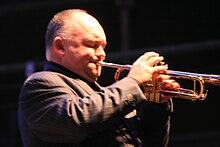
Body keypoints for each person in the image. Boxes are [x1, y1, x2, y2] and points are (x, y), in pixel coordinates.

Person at [18, 9, 180, 147]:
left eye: (103, 47)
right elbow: (77, 121)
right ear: (60, 47)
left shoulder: (107, 96)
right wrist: (134, 81)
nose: (102, 54)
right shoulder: (39, 84)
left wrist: (156, 105)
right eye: (92, 45)